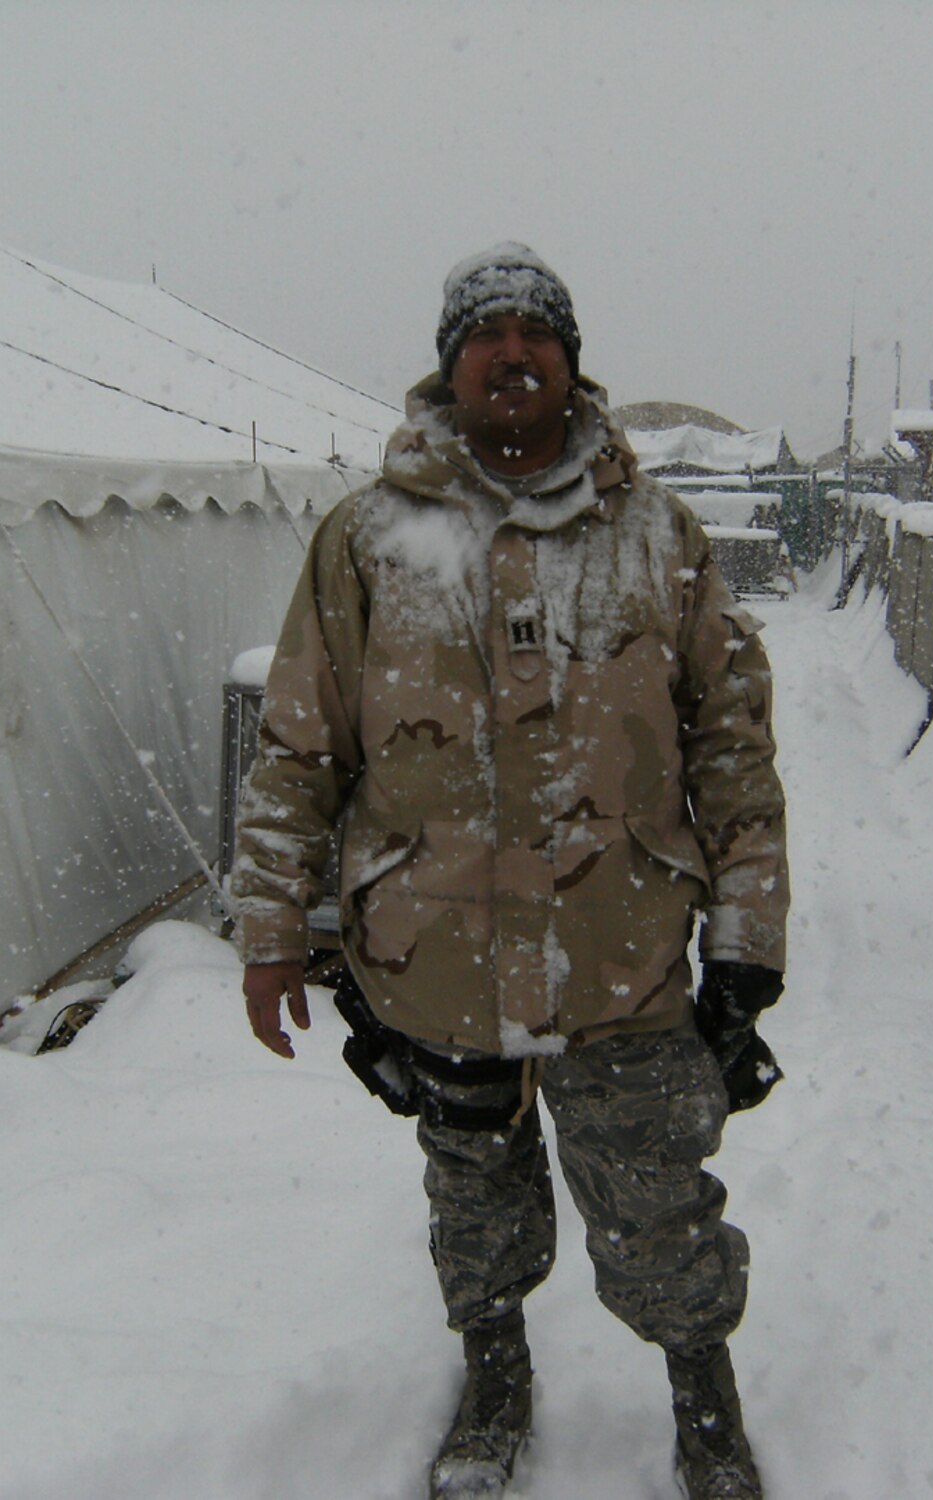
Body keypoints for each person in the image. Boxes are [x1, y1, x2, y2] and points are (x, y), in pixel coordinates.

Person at [235, 243, 790, 1500]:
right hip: (434, 960)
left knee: (659, 1201)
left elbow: (733, 747)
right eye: (483, 333)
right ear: (449, 366)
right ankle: (494, 1374)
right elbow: (298, 743)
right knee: (473, 1192)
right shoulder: (368, 538)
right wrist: (275, 927)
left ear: (570, 362)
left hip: (624, 955)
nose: (511, 351)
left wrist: (747, 943)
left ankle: (704, 1398)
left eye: (536, 332)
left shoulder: (658, 535)